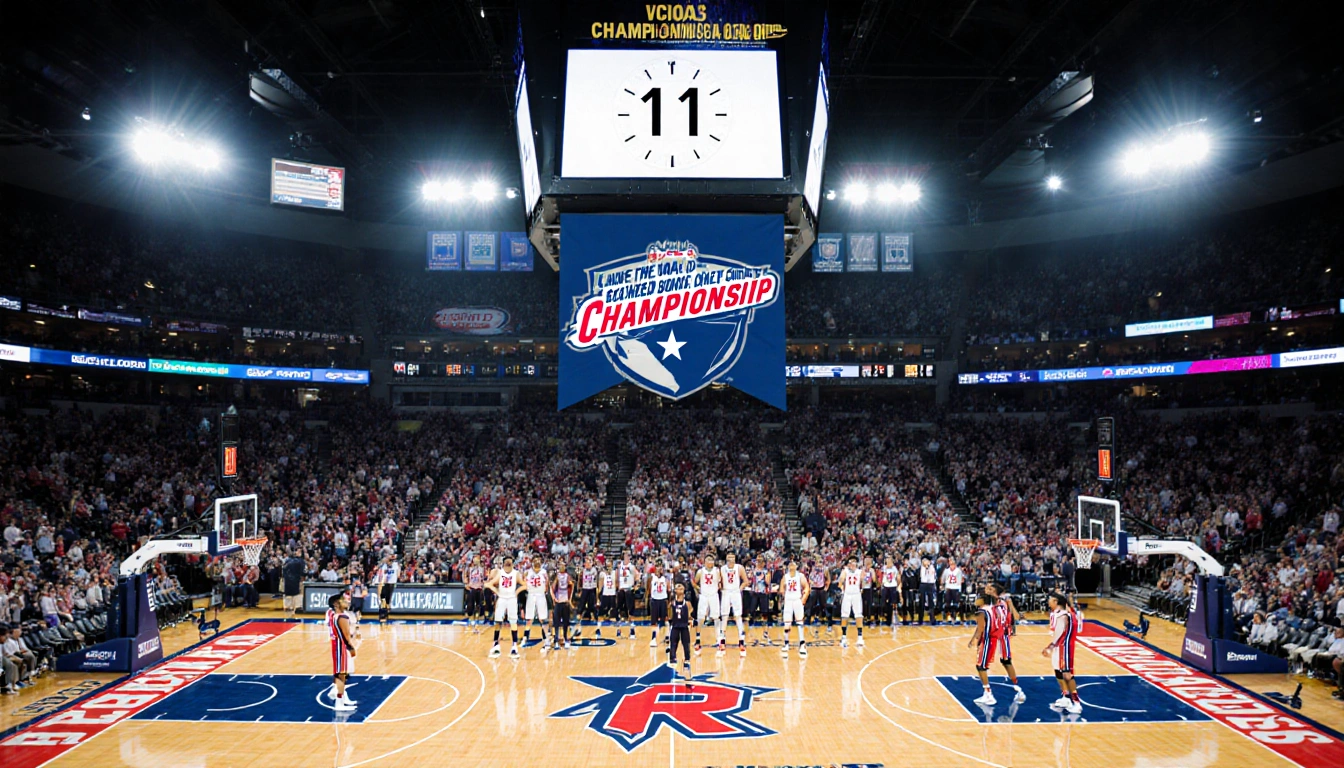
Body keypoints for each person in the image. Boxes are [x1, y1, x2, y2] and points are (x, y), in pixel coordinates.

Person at [1043, 592, 1083, 715]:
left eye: (1050, 600)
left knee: (1067, 674)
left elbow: (1059, 634)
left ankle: (1076, 703)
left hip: (1064, 647)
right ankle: (1065, 697)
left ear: (1055, 602)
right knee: (1057, 671)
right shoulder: (1057, 614)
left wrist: (1050, 646)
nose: (1048, 602)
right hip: (1058, 647)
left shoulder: (1063, 615)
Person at [326, 593, 357, 711]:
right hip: (341, 647)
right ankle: (339, 703)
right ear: (336, 604)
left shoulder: (334, 616)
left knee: (342, 674)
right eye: (343, 600)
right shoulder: (342, 617)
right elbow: (346, 636)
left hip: (337, 646)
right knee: (341, 675)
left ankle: (342, 698)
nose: (346, 601)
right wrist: (351, 648)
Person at [487, 556, 523, 659]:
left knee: (513, 622)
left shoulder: (516, 573)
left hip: (511, 599)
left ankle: (514, 647)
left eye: (510, 562)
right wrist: (496, 591)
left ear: (512, 563)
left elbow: (524, 585)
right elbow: (489, 584)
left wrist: (517, 592)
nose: (508, 563)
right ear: (503, 564)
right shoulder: (500, 573)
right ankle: (495, 645)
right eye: (506, 562)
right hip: (502, 598)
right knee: (498, 621)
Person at [778, 559, 810, 659]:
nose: (791, 566)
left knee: (800, 622)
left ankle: (802, 644)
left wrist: (804, 598)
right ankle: (786, 643)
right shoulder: (785, 576)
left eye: (793, 564)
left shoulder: (800, 576)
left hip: (797, 600)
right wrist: (782, 596)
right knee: (787, 623)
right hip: (788, 601)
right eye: (790, 564)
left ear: (797, 566)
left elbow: (807, 587)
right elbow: (781, 589)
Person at [720, 551, 748, 656]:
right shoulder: (722, 569)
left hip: (735, 592)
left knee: (738, 616)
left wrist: (739, 589)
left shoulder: (739, 568)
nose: (731, 558)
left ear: (735, 558)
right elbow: (719, 581)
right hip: (726, 592)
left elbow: (746, 581)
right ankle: (722, 640)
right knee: (724, 616)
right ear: (726, 558)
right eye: (729, 557)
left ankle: (741, 640)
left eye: (732, 557)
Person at [694, 553, 722, 655]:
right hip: (704, 596)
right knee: (701, 617)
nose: (710, 562)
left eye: (711, 560)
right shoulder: (700, 572)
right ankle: (697, 638)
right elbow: (694, 582)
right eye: (708, 560)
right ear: (704, 561)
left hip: (714, 595)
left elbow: (720, 582)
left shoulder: (717, 571)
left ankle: (718, 639)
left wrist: (719, 587)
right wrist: (699, 589)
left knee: (716, 617)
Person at [522, 558, 551, 651]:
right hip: (531, 595)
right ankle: (525, 637)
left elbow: (547, 583)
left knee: (542, 619)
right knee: (529, 619)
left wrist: (545, 590)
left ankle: (546, 640)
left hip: (540, 595)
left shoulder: (544, 572)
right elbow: (523, 581)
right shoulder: (527, 572)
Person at [837, 556, 865, 648]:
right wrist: (842, 589)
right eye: (850, 562)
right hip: (847, 594)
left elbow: (864, 582)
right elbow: (840, 582)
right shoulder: (845, 571)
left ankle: (860, 637)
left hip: (856, 594)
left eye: (853, 562)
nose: (852, 564)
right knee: (844, 615)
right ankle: (844, 637)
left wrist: (862, 588)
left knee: (858, 615)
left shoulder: (860, 571)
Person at [667, 583, 693, 678]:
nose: (680, 589)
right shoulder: (672, 603)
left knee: (686, 644)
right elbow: (669, 616)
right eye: (678, 587)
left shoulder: (687, 603)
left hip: (684, 626)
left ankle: (687, 660)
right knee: (673, 643)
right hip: (675, 626)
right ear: (675, 591)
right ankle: (672, 660)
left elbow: (690, 614)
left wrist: (690, 621)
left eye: (681, 587)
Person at [550, 560, 575, 650]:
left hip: (565, 601)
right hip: (558, 601)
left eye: (563, 565)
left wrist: (570, 599)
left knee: (566, 622)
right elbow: (551, 588)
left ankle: (565, 638)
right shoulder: (556, 576)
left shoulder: (567, 576)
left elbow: (572, 586)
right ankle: (556, 640)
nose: (562, 567)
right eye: (560, 565)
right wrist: (553, 598)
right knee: (556, 622)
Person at [646, 561, 670, 648]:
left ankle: (667, 636)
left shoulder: (666, 578)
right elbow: (648, 589)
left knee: (665, 620)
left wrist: (669, 601)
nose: (659, 568)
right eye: (657, 566)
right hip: (654, 600)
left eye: (661, 566)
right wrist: (647, 600)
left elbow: (669, 590)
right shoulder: (651, 578)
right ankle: (653, 638)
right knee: (654, 621)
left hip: (663, 600)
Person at [749, 555, 773, 640]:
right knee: (752, 612)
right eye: (757, 561)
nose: (758, 563)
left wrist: (764, 576)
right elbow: (749, 580)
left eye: (760, 561)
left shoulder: (767, 571)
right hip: (755, 592)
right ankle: (750, 631)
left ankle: (765, 631)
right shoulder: (753, 570)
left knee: (764, 613)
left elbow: (768, 582)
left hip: (763, 593)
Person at [575, 556, 599, 638]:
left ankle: (596, 622)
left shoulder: (594, 570)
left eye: (588, 562)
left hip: (591, 589)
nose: (586, 564)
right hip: (585, 589)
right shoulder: (583, 570)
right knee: (581, 605)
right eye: (586, 562)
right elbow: (580, 580)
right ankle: (578, 622)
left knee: (592, 606)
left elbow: (594, 579)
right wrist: (579, 589)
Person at [805, 559, 829, 638]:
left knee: (823, 604)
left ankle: (824, 618)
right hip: (814, 588)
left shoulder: (825, 569)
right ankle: (808, 618)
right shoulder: (812, 568)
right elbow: (808, 577)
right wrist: (810, 584)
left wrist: (826, 588)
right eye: (818, 562)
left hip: (821, 588)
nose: (819, 564)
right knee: (810, 604)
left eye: (820, 562)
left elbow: (828, 579)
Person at [373, 553, 400, 623]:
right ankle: (382, 614)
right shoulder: (384, 566)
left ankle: (386, 614)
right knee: (383, 599)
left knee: (388, 600)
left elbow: (398, 574)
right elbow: (382, 575)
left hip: (391, 584)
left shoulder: (395, 565)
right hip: (384, 583)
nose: (389, 562)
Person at [617, 553, 638, 640]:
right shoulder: (619, 566)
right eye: (626, 556)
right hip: (621, 590)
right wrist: (618, 587)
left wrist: (635, 586)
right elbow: (617, 577)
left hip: (629, 590)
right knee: (620, 612)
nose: (627, 557)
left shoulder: (632, 567)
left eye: (628, 556)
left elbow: (637, 576)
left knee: (630, 612)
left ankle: (632, 631)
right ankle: (619, 631)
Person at [881, 555, 902, 633]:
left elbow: (898, 577)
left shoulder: (894, 569)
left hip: (892, 586)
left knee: (892, 603)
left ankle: (890, 620)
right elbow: (881, 577)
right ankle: (884, 616)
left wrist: (897, 584)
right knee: (883, 603)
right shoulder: (884, 568)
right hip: (885, 587)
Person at [465, 554, 486, 632]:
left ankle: (477, 622)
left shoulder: (482, 569)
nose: (475, 560)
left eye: (477, 559)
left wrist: (484, 584)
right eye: (474, 559)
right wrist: (466, 584)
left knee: (478, 606)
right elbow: (465, 577)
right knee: (470, 606)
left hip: (479, 589)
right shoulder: (469, 569)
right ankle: (471, 621)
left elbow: (485, 578)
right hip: (472, 588)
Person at [941, 557, 966, 623]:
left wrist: (959, 581)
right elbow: (942, 579)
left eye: (953, 564)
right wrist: (943, 585)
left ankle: (958, 618)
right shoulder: (946, 571)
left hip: (956, 588)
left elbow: (962, 579)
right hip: (948, 587)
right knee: (947, 604)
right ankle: (946, 617)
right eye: (951, 564)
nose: (952, 565)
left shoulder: (958, 571)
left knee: (956, 604)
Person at [281, 551, 305, 620]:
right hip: (296, 581)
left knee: (287, 595)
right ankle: (298, 607)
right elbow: (303, 572)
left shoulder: (286, 562)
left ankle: (288, 608)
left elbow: (283, 571)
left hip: (287, 581)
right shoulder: (300, 561)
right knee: (298, 594)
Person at [599, 562, 619, 638]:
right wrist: (598, 596)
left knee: (614, 615)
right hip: (605, 595)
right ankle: (599, 630)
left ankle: (617, 631)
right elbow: (600, 585)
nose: (608, 568)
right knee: (601, 615)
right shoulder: (602, 574)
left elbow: (617, 583)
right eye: (607, 566)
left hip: (612, 595)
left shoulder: (614, 573)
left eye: (610, 566)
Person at [919, 556, 939, 626]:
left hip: (930, 584)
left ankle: (932, 619)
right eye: (923, 562)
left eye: (926, 561)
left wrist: (928, 566)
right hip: (923, 584)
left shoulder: (932, 567)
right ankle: (920, 619)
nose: (925, 563)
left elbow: (931, 575)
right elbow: (922, 576)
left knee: (931, 602)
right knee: (921, 602)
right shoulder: (922, 567)